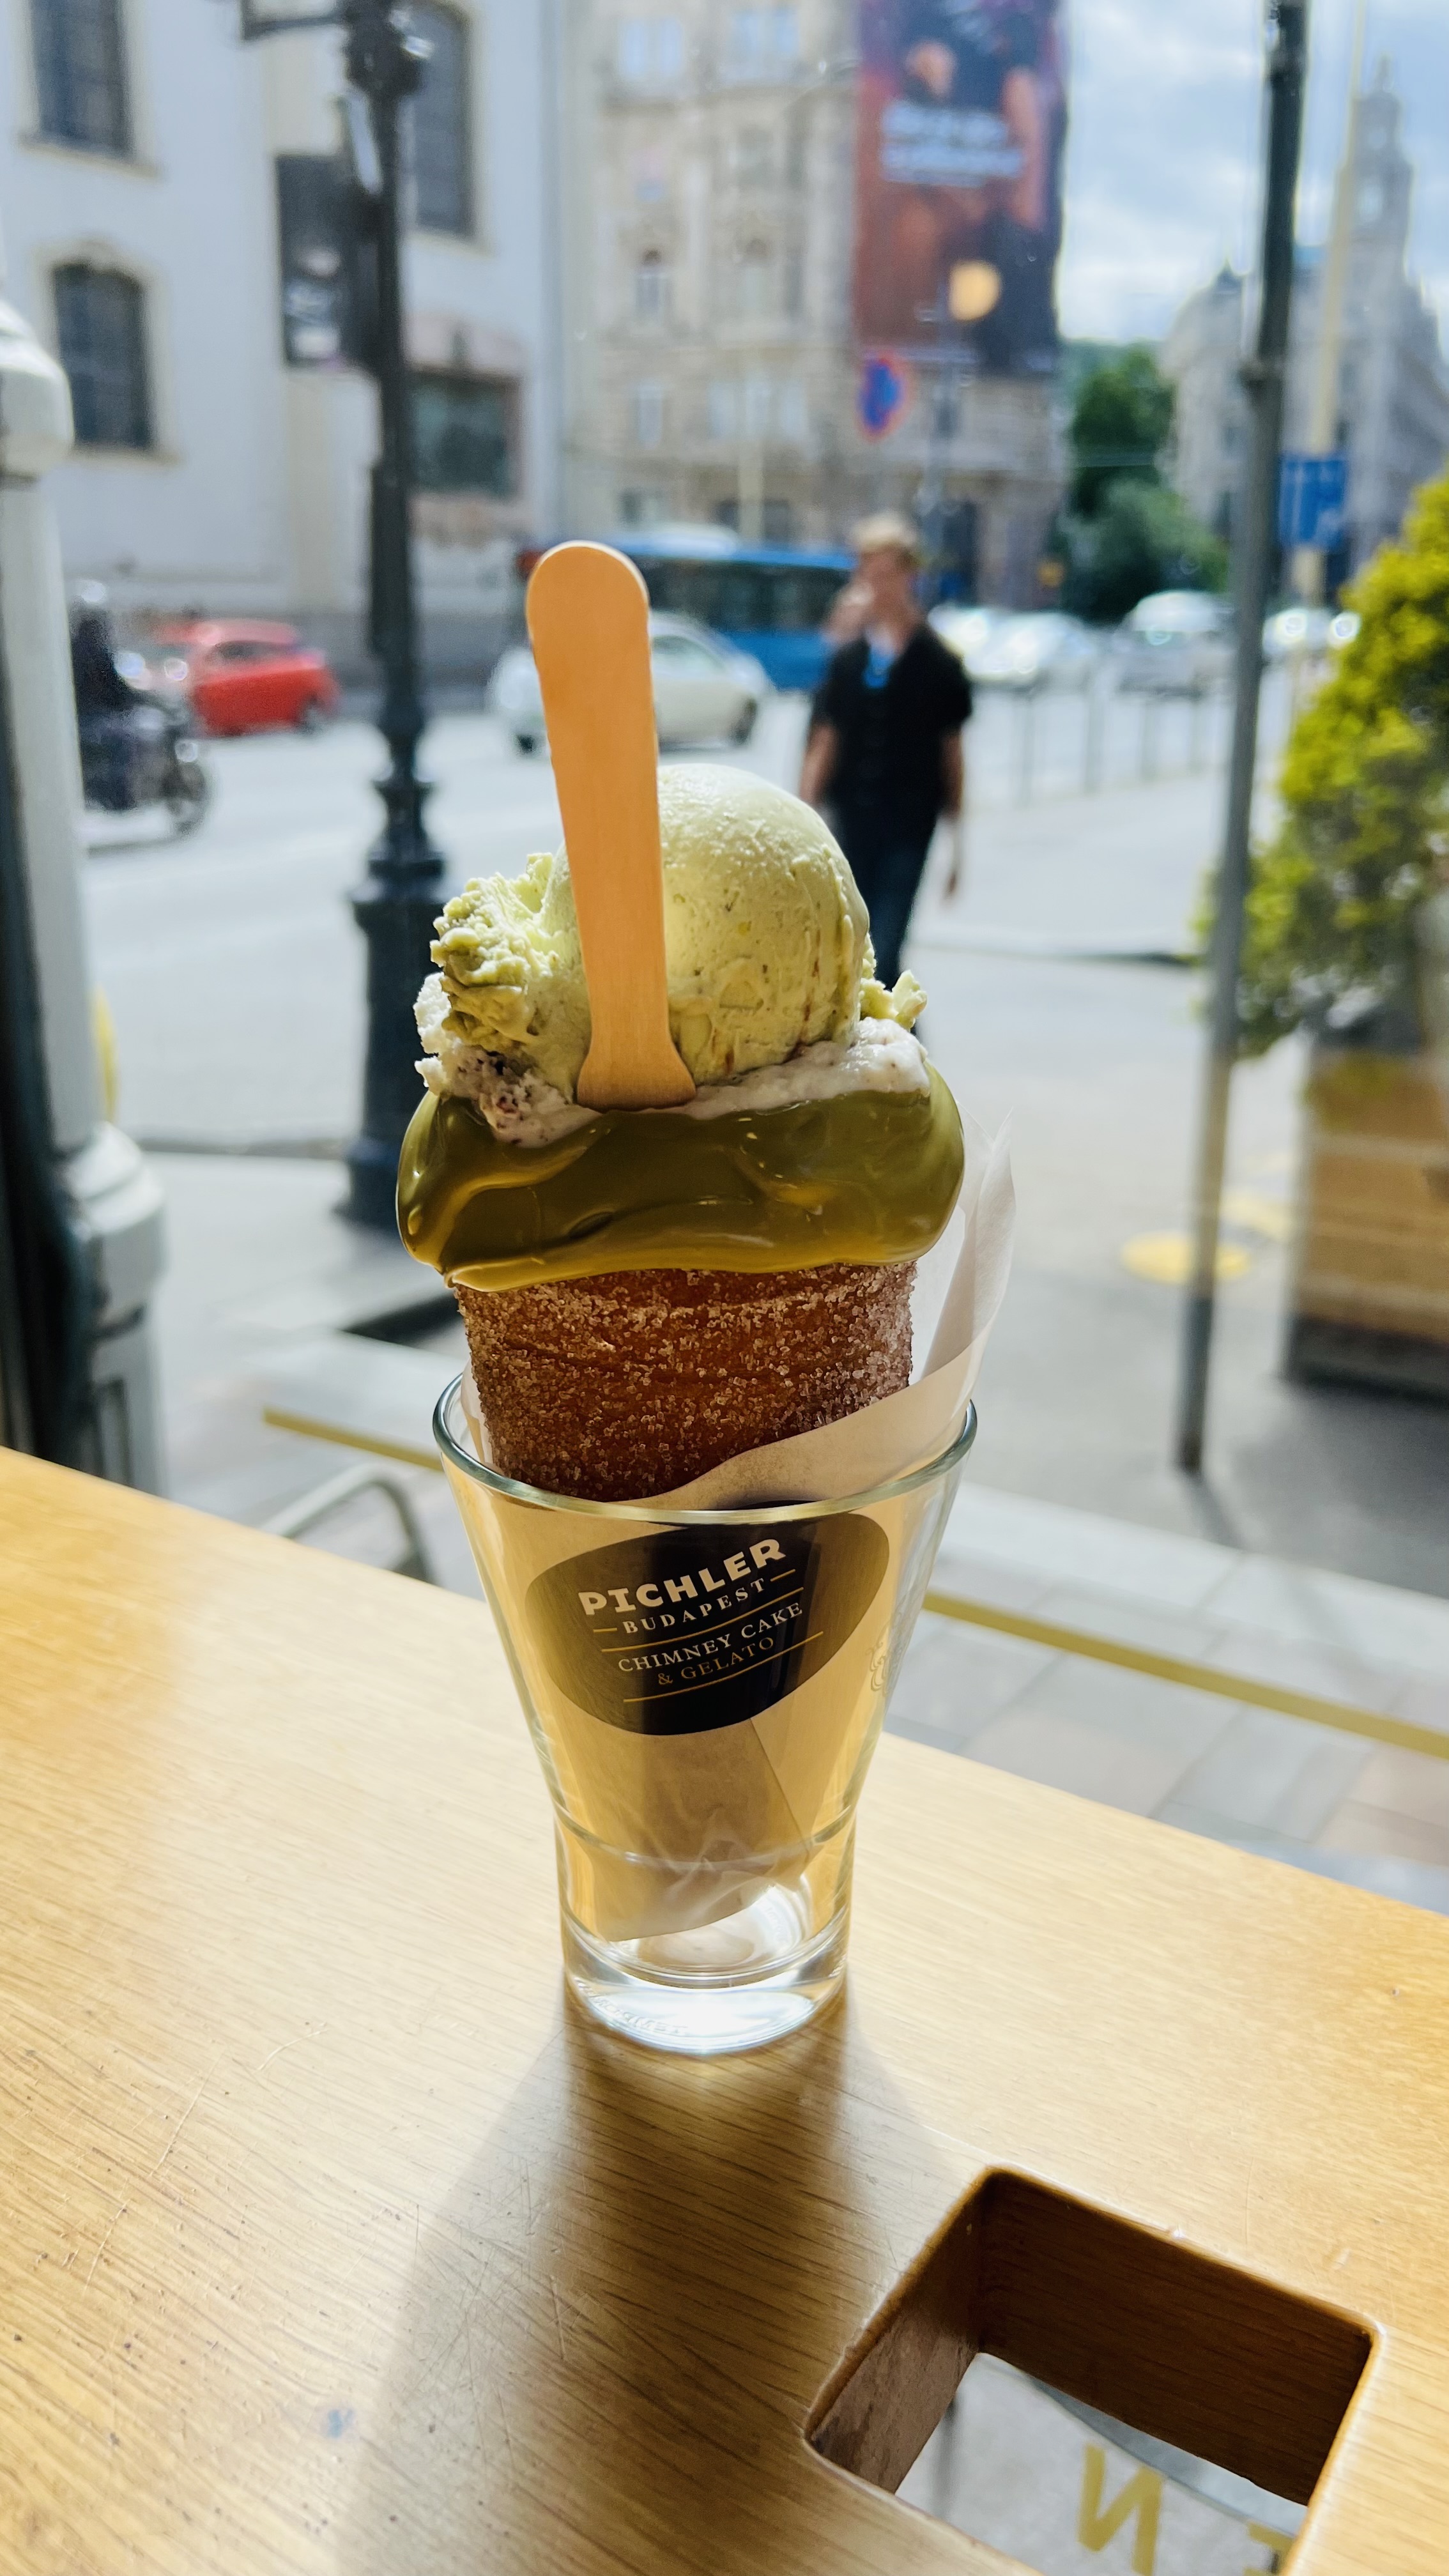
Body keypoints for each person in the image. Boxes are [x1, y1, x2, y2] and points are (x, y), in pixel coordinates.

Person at [800, 514, 971, 989]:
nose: (876, 586)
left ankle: (898, 1033)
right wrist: (804, 814)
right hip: (852, 817)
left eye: (887, 574)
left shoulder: (939, 662)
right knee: (852, 946)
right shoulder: (849, 658)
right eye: (868, 574)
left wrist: (958, 844)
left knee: (887, 947)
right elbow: (825, 739)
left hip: (909, 822)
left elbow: (953, 755)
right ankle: (891, 1033)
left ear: (909, 575)